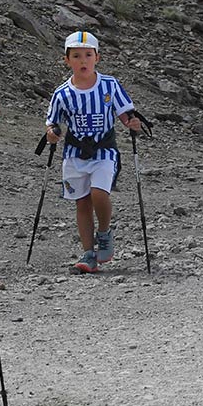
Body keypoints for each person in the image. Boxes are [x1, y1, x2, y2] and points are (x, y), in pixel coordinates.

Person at [44, 30, 143, 273]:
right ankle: (88, 254)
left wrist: (132, 122)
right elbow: (53, 122)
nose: (83, 61)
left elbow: (125, 113)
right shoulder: (62, 93)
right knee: (82, 202)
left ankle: (104, 233)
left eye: (88, 55)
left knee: (99, 192)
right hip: (75, 153)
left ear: (97, 57)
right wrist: (52, 133)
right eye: (76, 56)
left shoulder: (110, 85)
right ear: (67, 60)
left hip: (104, 150)